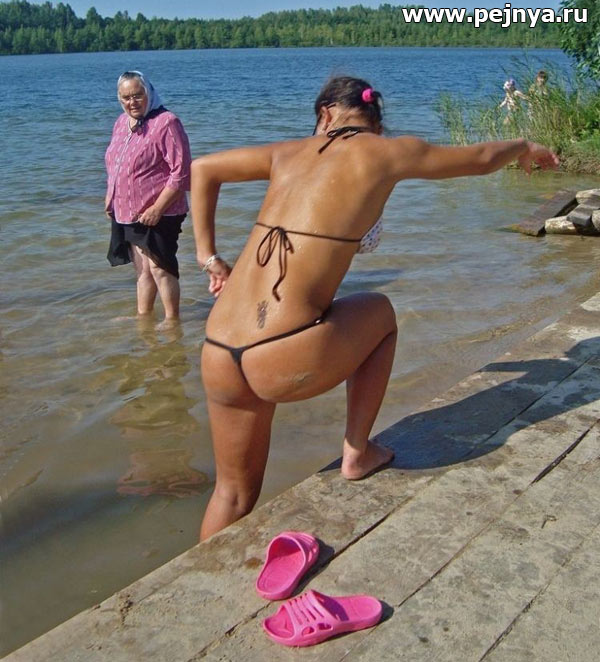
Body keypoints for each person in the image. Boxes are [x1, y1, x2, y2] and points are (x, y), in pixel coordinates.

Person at [191, 76, 558, 541]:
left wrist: (209, 258)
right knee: (380, 313)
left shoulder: (286, 152)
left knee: (232, 494)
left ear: (325, 114)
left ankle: (192, 579)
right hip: (282, 353)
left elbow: (202, 169)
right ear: (375, 125)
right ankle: (357, 451)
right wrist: (523, 145)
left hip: (219, 352)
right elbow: (482, 158)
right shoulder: (385, 152)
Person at [105, 71, 192, 328]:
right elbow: (115, 163)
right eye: (125, 97)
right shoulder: (121, 122)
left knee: (160, 268)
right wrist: (110, 197)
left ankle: (172, 320)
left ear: (149, 93)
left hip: (161, 211)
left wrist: (157, 208)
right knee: (142, 269)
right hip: (126, 210)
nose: (132, 102)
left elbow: (182, 172)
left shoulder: (167, 122)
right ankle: (143, 317)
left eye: (137, 95)